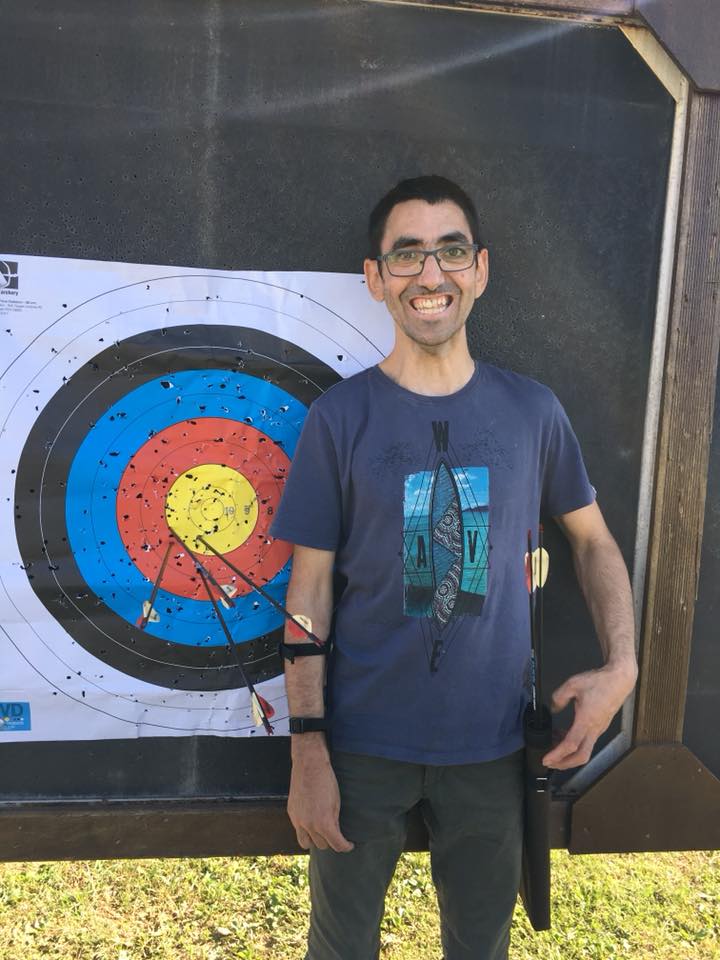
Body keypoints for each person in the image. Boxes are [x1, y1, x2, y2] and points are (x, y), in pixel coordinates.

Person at [270, 175, 638, 960]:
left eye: (452, 251)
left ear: (481, 269)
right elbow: (308, 590)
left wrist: (623, 666)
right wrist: (308, 748)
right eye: (407, 255)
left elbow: (594, 542)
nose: (431, 274)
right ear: (376, 278)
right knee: (338, 949)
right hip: (361, 747)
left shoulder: (533, 412)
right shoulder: (339, 418)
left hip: (494, 751)